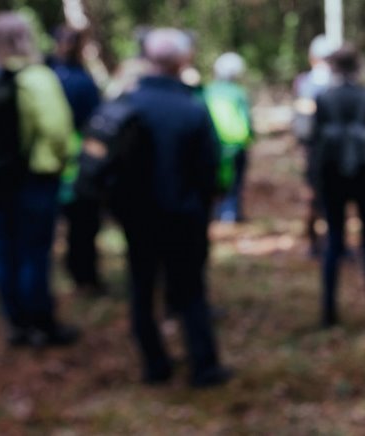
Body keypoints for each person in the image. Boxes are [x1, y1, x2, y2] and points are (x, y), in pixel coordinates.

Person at [106, 28, 230, 387]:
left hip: (136, 218)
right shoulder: (191, 109)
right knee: (190, 290)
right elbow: (209, 171)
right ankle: (203, 367)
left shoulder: (124, 103)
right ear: (182, 61)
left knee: (141, 289)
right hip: (183, 216)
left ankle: (154, 364)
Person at [0, 12, 79, 346]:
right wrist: (61, 162)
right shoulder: (37, 77)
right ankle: (41, 323)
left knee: (4, 251)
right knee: (34, 251)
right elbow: (56, 129)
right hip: (35, 179)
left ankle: (16, 323)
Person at [310, 45, 365, 329]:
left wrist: (314, 182)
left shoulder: (323, 98)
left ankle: (328, 312)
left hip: (332, 177)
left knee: (334, 240)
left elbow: (315, 142)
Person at [49, 26, 106, 297]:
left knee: (75, 222)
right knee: (83, 223)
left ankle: (79, 273)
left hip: (55, 163)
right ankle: (84, 276)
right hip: (77, 162)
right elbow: (95, 122)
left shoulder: (47, 75)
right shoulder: (79, 80)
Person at [294, 35, 336, 256]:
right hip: (322, 149)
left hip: (317, 149)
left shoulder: (306, 82)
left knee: (318, 197)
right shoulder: (311, 83)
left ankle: (321, 243)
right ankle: (320, 243)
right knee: (321, 197)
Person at [204, 52, 254, 223]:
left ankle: (217, 211)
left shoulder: (208, 90)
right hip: (236, 144)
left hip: (213, 144)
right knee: (236, 180)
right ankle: (231, 213)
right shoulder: (238, 93)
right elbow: (246, 118)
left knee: (215, 178)